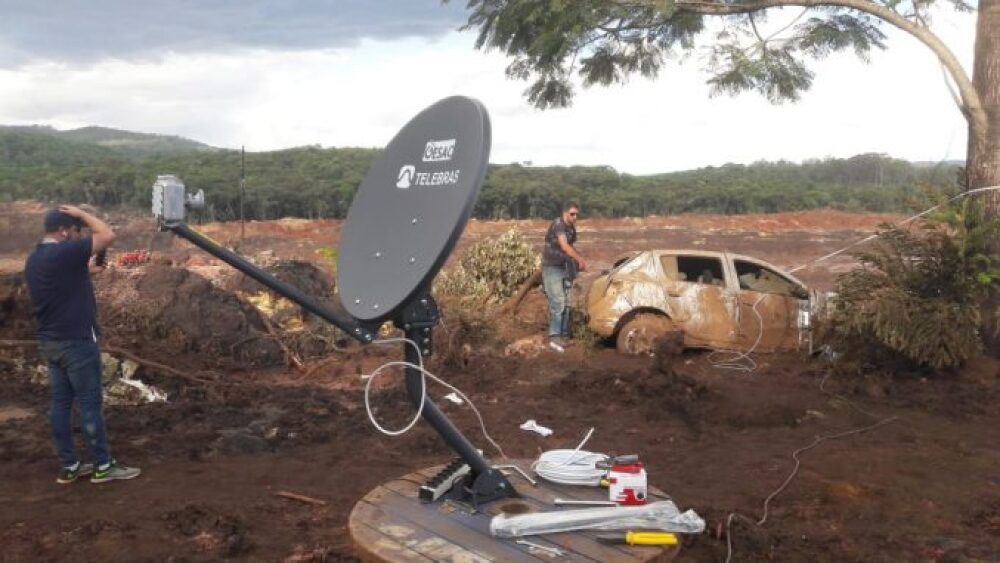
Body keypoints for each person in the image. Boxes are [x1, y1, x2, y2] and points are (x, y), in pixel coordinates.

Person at [24, 205, 141, 485]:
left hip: (51, 342)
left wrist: (87, 272)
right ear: (65, 231)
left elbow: (62, 283)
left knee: (60, 405)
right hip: (77, 341)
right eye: (76, 232)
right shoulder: (64, 251)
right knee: (90, 403)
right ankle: (102, 465)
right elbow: (107, 234)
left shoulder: (36, 258)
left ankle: (70, 465)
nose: (78, 238)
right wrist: (82, 213)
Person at [542, 202, 587, 352]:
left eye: (577, 214)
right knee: (558, 302)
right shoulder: (558, 224)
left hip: (565, 267)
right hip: (552, 267)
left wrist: (576, 263)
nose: (575, 217)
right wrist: (580, 259)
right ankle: (554, 338)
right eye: (572, 214)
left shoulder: (571, 229)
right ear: (565, 213)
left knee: (567, 304)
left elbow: (571, 246)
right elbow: (564, 246)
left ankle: (564, 336)